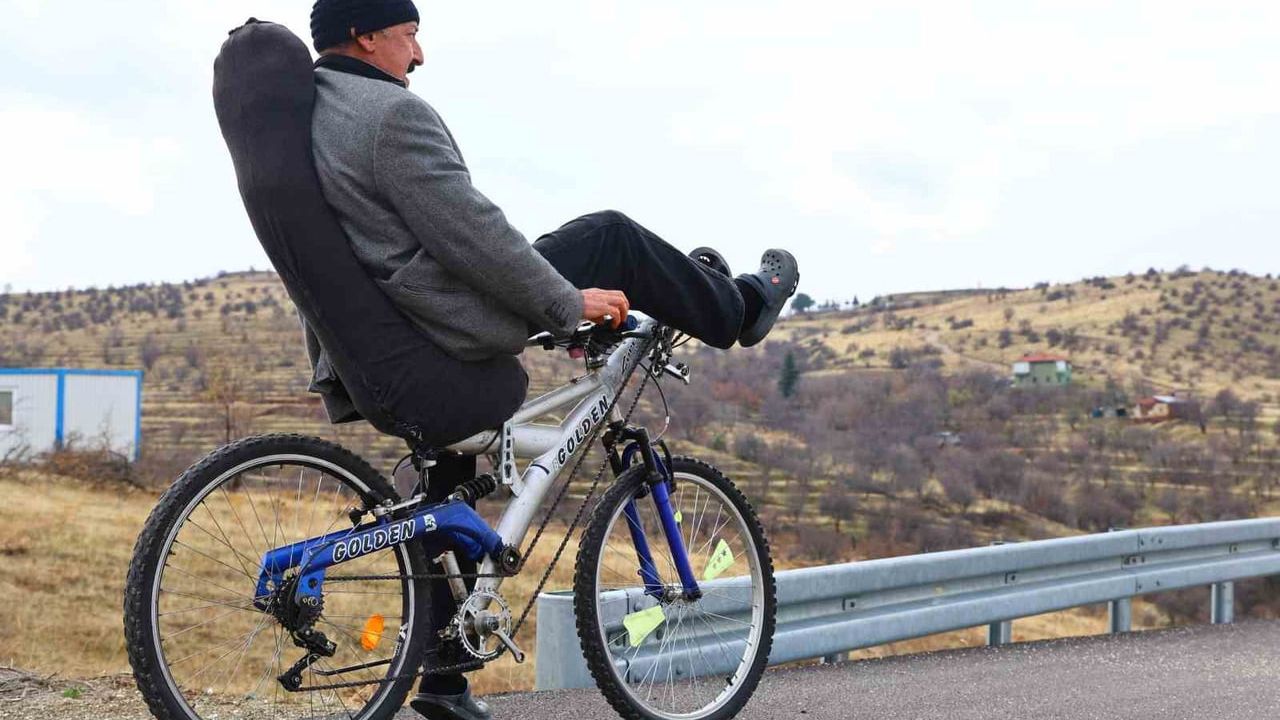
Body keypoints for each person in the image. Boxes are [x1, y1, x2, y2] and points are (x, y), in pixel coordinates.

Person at [306, 1, 799, 718]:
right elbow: (477, 236)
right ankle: (739, 309)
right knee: (609, 236)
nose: (420, 56)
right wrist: (569, 302)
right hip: (438, 321)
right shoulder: (389, 116)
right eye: (411, 35)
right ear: (367, 34)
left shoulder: (318, 109)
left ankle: (444, 679)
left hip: (383, 335)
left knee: (449, 479)